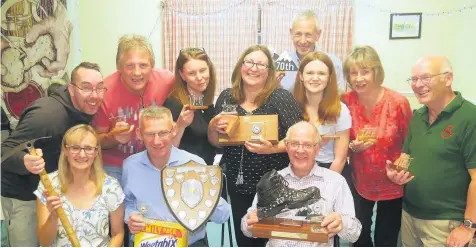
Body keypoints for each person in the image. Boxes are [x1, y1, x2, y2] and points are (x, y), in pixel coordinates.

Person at [208, 44, 303, 246]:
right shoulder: (227, 97)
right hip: (238, 183)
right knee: (246, 239)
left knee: (274, 240)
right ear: (241, 66)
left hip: (275, 185)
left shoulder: (280, 97)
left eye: (261, 64)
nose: (254, 68)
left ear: (269, 71)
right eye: (249, 62)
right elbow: (216, 142)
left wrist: (272, 148)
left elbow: (299, 139)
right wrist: (212, 126)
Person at [1, 62, 105, 246]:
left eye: (100, 88)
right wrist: (23, 160)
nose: (95, 95)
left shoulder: (84, 110)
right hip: (24, 197)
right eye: (86, 88)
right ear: (71, 89)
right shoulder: (48, 116)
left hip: (53, 194)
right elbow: (4, 151)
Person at [386, 56, 476, 247]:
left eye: (426, 78)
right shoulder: (418, 116)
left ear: (448, 78)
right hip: (410, 215)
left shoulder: (470, 118)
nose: (418, 85)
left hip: (446, 223)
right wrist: (396, 173)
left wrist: (468, 226)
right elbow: (406, 155)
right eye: (414, 79)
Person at [123, 106, 231, 246]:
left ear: (174, 131)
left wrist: (204, 199)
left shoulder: (194, 164)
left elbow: (223, 216)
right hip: (146, 242)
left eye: (163, 133)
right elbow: (127, 201)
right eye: (150, 134)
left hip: (190, 244)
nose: (157, 141)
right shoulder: (130, 166)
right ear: (139, 134)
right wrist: (130, 216)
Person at [241, 121, 361, 246]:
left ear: (317, 149)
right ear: (286, 146)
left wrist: (342, 223)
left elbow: (355, 234)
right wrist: (250, 222)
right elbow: (246, 229)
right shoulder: (271, 180)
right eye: (294, 144)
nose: (300, 150)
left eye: (307, 145)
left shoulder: (335, 181)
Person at [341, 46, 413, 247]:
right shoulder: (345, 102)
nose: (358, 78)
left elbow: (411, 142)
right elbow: (339, 144)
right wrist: (353, 148)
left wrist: (401, 170)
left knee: (386, 239)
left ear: (376, 72)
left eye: (365, 71)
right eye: (353, 73)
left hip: (393, 183)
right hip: (359, 181)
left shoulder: (398, 102)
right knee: (358, 236)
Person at [92, 34, 174, 183]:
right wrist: (113, 137)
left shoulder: (167, 81)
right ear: (119, 67)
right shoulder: (103, 92)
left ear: (152, 65)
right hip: (116, 166)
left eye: (143, 65)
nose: (137, 73)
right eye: (130, 66)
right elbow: (94, 141)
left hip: (153, 161)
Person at [34, 124, 124, 247]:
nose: (82, 155)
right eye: (75, 148)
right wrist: (53, 216)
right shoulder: (48, 184)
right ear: (65, 150)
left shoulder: (111, 187)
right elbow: (44, 242)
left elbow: (118, 234)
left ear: (96, 151)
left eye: (88, 148)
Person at [292, 51, 351, 178]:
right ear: (301, 76)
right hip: (299, 169)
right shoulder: (291, 107)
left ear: (329, 78)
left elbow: (340, 159)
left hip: (332, 171)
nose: (315, 78)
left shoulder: (341, 110)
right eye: (310, 73)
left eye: (321, 73)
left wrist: (326, 186)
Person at [163, 47, 216, 164]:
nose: (199, 77)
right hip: (184, 173)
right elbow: (166, 150)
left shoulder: (207, 102)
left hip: (205, 171)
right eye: (191, 73)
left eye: (202, 70)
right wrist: (180, 125)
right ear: (182, 75)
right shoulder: (175, 104)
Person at [278, 10, 345, 93]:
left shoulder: (333, 63)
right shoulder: (281, 63)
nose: (303, 41)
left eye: (308, 35)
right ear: (291, 33)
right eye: (298, 34)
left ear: (318, 34)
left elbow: (339, 96)